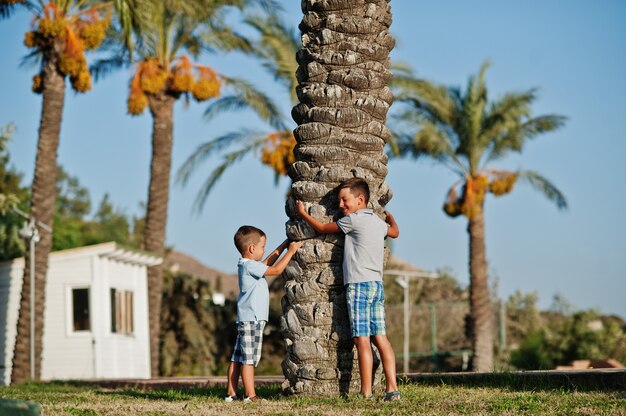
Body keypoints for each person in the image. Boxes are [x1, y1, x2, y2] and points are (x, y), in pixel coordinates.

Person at [296, 177, 401, 401]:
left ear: (360, 200)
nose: (341, 205)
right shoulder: (376, 222)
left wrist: (303, 213)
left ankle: (366, 392)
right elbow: (394, 233)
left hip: (358, 285)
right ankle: (392, 389)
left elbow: (323, 228)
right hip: (376, 285)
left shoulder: (352, 221)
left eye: (345, 200)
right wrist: (391, 218)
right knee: (380, 338)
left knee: (361, 339)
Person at [225, 225, 303, 403]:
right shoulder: (250, 266)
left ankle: (231, 393)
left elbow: (268, 263)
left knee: (238, 357)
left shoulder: (248, 265)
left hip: (246, 318)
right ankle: (250, 395)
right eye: (262, 246)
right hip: (252, 319)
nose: (264, 250)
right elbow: (275, 270)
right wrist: (290, 252)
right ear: (252, 248)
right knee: (249, 359)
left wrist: (285, 244)